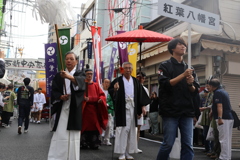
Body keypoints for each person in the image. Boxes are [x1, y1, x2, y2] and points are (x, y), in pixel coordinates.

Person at [157, 38, 200, 160]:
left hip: (187, 111)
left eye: (184, 45)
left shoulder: (190, 68)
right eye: (180, 44)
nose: (183, 46)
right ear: (172, 49)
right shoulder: (164, 66)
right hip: (170, 110)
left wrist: (190, 84)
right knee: (168, 143)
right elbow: (165, 84)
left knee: (188, 144)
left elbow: (195, 90)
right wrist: (183, 75)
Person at [108, 62, 150, 160]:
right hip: (122, 108)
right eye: (125, 68)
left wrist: (142, 107)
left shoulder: (135, 81)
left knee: (132, 130)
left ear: (132, 70)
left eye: (129, 68)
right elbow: (111, 92)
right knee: (123, 130)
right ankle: (121, 153)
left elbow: (141, 96)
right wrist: (115, 90)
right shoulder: (117, 81)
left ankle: (128, 152)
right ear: (122, 70)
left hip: (133, 107)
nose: (127, 70)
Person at [48, 51, 86, 160]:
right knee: (61, 133)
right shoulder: (59, 75)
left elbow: (82, 86)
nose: (68, 61)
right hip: (62, 106)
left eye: (71, 59)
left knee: (73, 135)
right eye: (67, 59)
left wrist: (68, 77)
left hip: (74, 106)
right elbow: (54, 91)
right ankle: (58, 157)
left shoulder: (80, 73)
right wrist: (60, 97)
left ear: (76, 61)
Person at [81, 68, 108, 149]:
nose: (89, 75)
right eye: (88, 74)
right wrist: (83, 98)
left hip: (94, 109)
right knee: (85, 126)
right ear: (85, 75)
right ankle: (83, 142)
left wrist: (101, 99)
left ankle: (94, 143)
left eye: (91, 74)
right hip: (85, 109)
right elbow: (78, 95)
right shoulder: (82, 84)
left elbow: (102, 95)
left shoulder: (96, 85)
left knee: (95, 126)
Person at [208, 78, 233, 160]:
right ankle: (227, 156)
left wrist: (219, 118)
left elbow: (219, 106)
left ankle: (223, 157)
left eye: (209, 86)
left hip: (223, 118)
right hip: (229, 117)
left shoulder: (217, 92)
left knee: (223, 139)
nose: (208, 88)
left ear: (211, 86)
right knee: (227, 139)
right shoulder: (224, 91)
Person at [136, 71, 150, 153]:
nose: (141, 79)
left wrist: (145, 112)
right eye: (139, 77)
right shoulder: (133, 87)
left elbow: (146, 101)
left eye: (143, 78)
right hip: (133, 112)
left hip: (140, 113)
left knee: (138, 129)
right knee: (132, 130)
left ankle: (136, 146)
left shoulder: (145, 89)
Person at [102, 78, 114, 146]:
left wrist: (108, 104)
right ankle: (99, 138)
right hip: (101, 110)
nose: (107, 84)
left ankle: (107, 139)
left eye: (108, 83)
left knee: (109, 125)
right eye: (105, 82)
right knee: (101, 125)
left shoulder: (110, 92)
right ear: (103, 83)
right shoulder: (100, 91)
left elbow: (112, 101)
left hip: (108, 110)